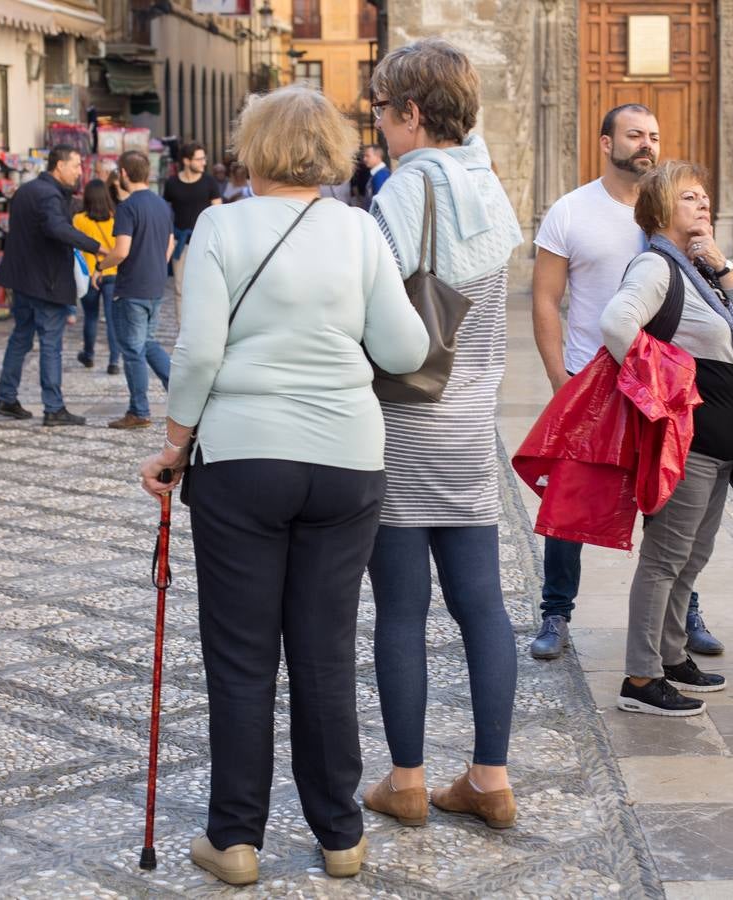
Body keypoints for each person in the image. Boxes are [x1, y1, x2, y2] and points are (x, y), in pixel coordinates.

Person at [136, 83, 428, 885]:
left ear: (254, 149)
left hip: (241, 462)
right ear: (329, 149)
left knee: (241, 657)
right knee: (326, 652)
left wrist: (172, 446)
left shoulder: (221, 225)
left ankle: (234, 840)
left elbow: (196, 354)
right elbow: (405, 350)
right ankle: (340, 835)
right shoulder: (361, 229)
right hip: (345, 461)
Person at [360, 38, 525, 834]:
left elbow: (375, 309)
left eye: (382, 114)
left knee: (400, 611)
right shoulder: (490, 188)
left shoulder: (404, 193)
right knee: (483, 609)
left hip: (399, 427)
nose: (380, 130)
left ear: (412, 113)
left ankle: (409, 782)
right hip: (469, 431)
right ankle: (491, 780)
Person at [530, 105, 726, 660]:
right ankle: (555, 613)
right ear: (605, 141)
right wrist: (557, 379)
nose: (647, 144)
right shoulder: (572, 211)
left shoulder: (673, 210)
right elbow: (545, 300)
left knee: (676, 503)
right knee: (569, 504)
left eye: (654, 136)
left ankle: (685, 612)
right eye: (635, 134)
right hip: (592, 380)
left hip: (665, 383)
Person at [602, 162, 733, 717]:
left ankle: (672, 655)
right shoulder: (656, 266)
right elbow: (616, 324)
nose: (704, 205)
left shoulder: (698, 271)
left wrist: (723, 264)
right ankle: (640, 678)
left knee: (692, 556)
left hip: (716, 445)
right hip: (685, 441)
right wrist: (659, 390)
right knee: (665, 558)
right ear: (660, 208)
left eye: (706, 197)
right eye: (690, 197)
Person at [0, 144, 111, 426]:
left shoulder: (27, 190)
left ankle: (6, 397)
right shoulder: (48, 195)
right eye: (76, 165)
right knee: (50, 343)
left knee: (20, 338)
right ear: (59, 166)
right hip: (45, 281)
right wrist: (96, 247)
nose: (79, 171)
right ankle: (54, 407)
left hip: (23, 280)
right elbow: (56, 228)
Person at [103, 151, 175, 429]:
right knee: (148, 342)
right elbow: (169, 245)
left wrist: (101, 267)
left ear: (122, 173)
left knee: (132, 350)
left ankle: (139, 410)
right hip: (155, 285)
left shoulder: (127, 207)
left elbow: (121, 251)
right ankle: (179, 395)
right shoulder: (162, 205)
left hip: (131, 286)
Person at [163, 141, 222, 324]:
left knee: (206, 288)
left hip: (206, 243)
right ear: (187, 161)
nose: (204, 162)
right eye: (200, 159)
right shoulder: (172, 183)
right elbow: (166, 212)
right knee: (180, 289)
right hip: (181, 241)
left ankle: (205, 326)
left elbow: (218, 214)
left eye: (204, 158)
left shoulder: (209, 182)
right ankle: (183, 330)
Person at [72, 179, 122, 375]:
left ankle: (89, 355)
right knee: (112, 319)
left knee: (91, 316)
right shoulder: (115, 218)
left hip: (89, 274)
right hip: (113, 272)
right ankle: (114, 361)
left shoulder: (79, 220)